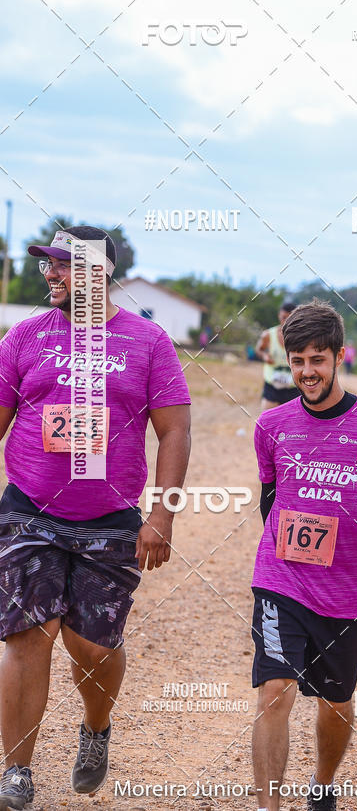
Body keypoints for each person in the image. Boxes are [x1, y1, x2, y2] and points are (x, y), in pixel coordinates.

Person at [0, 226, 191, 809]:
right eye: (48, 265)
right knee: (28, 635)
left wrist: (162, 515)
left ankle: (95, 728)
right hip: (29, 510)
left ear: (100, 272)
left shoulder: (147, 342)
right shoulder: (25, 337)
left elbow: (175, 429)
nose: (51, 274)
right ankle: (16, 772)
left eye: (63, 264)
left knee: (93, 647)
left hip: (110, 519)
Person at [250, 300, 357, 811]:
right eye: (297, 360)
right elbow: (269, 498)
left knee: (335, 701)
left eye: (317, 360)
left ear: (340, 356)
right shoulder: (272, 425)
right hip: (281, 581)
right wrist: (283, 554)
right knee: (274, 691)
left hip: (345, 591)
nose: (306, 372)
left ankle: (323, 785)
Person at [256, 302, 300, 409]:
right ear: (279, 316)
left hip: (294, 386)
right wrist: (264, 356)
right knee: (268, 418)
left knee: (292, 420)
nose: (285, 321)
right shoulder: (268, 335)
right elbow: (259, 350)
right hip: (272, 383)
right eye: (283, 317)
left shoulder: (302, 337)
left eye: (289, 318)